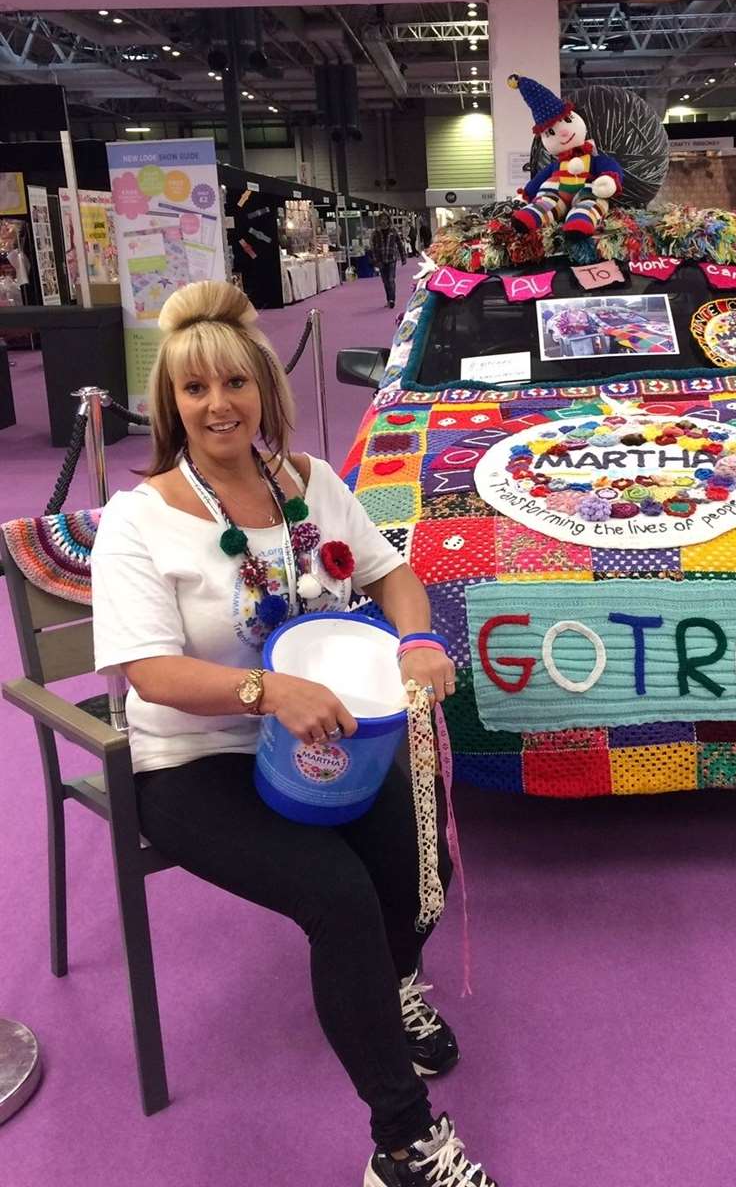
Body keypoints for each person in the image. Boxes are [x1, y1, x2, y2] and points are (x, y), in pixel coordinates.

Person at [90, 281, 498, 1187]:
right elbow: (148, 674)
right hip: (197, 764)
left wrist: (422, 636)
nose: (217, 405)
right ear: (171, 403)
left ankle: (392, 984)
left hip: (332, 744)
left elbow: (393, 577)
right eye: (194, 390)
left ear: (264, 390)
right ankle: (403, 1146)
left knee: (419, 855)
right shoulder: (138, 519)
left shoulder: (309, 483)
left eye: (234, 383)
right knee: (340, 897)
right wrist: (264, 690)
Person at [369, 217, 407, 309]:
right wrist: (375, 260)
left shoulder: (393, 231)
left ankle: (392, 300)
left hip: (391, 259)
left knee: (391, 279)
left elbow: (399, 244)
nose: (383, 221)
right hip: (380, 259)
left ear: (388, 221)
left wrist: (403, 257)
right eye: (382, 219)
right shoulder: (376, 233)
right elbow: (372, 247)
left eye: (385, 219)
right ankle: (388, 299)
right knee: (385, 281)